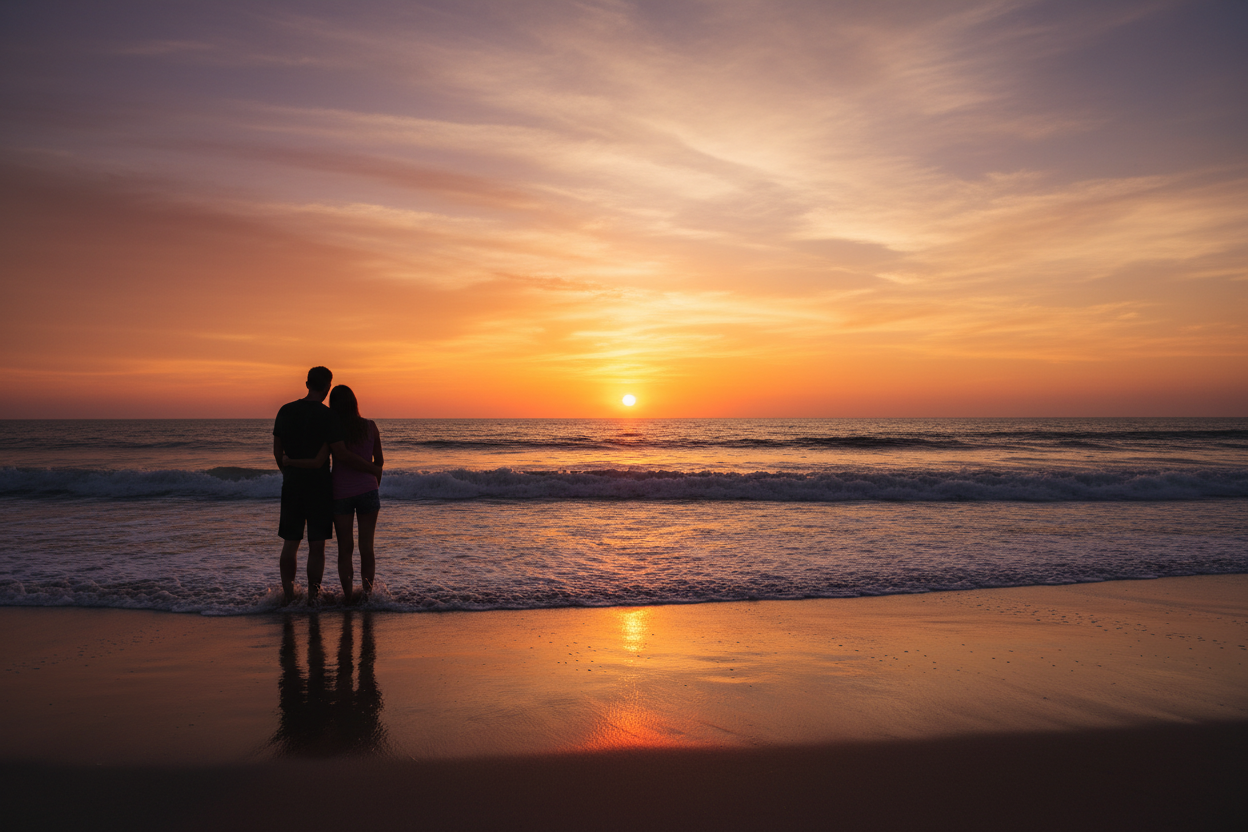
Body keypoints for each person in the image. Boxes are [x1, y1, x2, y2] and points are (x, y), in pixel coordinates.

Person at [273, 367, 381, 605]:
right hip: (320, 488)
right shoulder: (328, 416)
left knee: (290, 544)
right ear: (327, 387)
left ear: (306, 383)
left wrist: (290, 472)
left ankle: (289, 598)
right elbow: (337, 454)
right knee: (317, 546)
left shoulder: (285, 411)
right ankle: (313, 598)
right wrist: (373, 470)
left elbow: (277, 453)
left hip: (293, 486)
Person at [327, 385, 383, 601]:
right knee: (366, 546)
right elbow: (379, 461)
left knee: (345, 548)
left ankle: (349, 596)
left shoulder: (334, 430)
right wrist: (373, 481)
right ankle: (367, 596)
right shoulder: (370, 426)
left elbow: (339, 457)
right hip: (368, 490)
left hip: (340, 492)